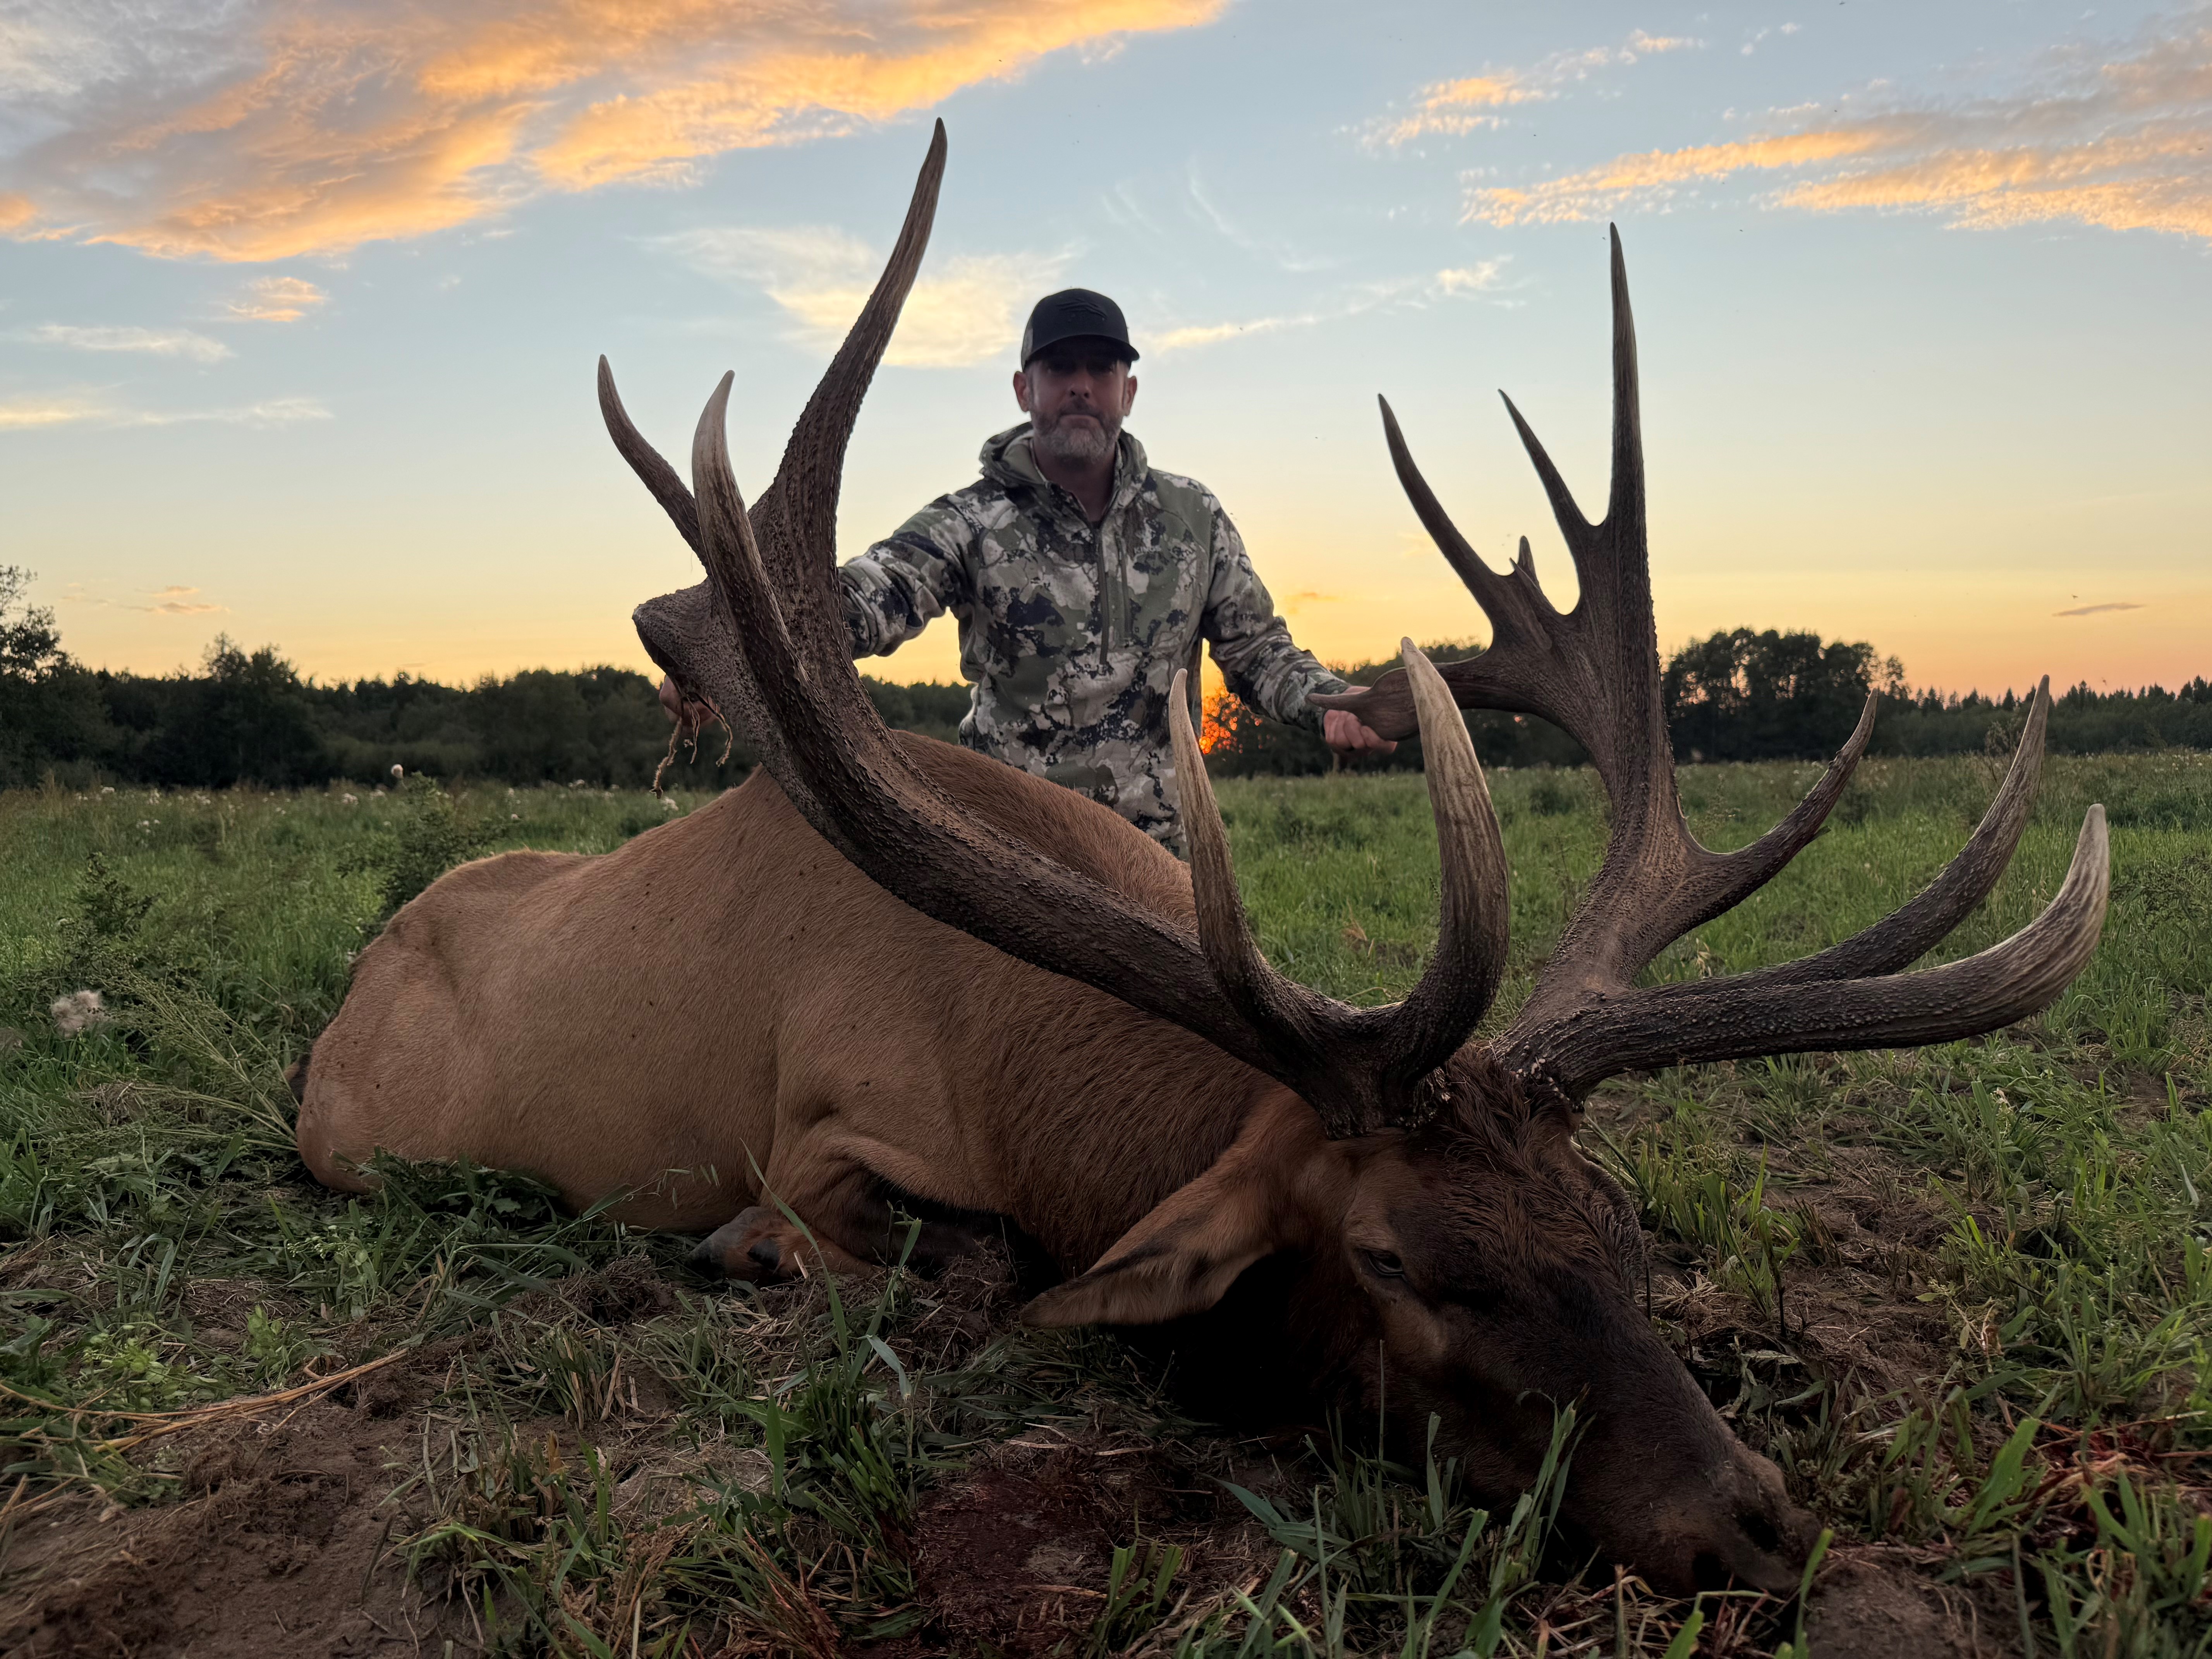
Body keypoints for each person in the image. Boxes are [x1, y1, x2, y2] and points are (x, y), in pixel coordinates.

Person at [663, 287, 1394, 848]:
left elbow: (1258, 650)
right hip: (1010, 862)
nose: (1081, 386)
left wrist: (1334, 701)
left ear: (1128, 393)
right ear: (1025, 389)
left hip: (1161, 859)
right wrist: (735, 643)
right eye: (1059, 368)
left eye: (1101, 370)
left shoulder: (1193, 518)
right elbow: (861, 598)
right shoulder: (969, 521)